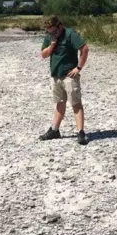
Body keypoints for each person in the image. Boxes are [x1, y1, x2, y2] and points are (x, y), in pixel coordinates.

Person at [39, 15, 89, 145]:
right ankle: (55, 130)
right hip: (55, 75)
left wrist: (78, 68)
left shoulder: (69, 34)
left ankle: (81, 132)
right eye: (48, 31)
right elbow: (43, 55)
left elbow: (84, 48)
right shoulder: (50, 36)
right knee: (59, 103)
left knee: (76, 103)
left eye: (53, 31)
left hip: (69, 75)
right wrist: (52, 44)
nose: (51, 33)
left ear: (59, 26)